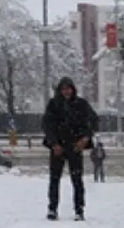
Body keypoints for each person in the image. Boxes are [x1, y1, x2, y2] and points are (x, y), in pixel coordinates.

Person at [42, 76, 98, 221]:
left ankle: (79, 210)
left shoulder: (81, 104)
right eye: (64, 89)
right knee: (54, 179)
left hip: (75, 146)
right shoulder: (53, 105)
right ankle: (52, 208)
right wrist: (54, 144)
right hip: (58, 147)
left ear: (73, 89)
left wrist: (85, 139)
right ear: (60, 90)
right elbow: (47, 126)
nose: (67, 92)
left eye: (69, 89)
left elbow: (93, 121)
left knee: (77, 179)